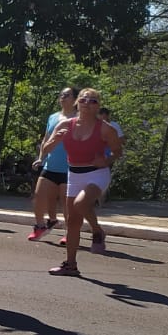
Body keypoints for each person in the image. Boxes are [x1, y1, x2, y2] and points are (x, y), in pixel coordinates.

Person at [42, 88, 123, 275]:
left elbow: (117, 151)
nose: (88, 103)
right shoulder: (65, 125)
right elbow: (46, 148)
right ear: (77, 103)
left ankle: (97, 231)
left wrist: (107, 160)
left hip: (97, 173)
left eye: (93, 101)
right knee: (72, 222)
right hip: (74, 174)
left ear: (98, 107)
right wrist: (56, 139)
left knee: (80, 203)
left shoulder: (105, 129)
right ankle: (70, 265)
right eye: (84, 99)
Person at [29, 87, 76, 241]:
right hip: (50, 166)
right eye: (61, 94)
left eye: (67, 95)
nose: (62, 97)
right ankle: (40, 226)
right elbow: (46, 139)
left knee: (66, 203)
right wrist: (41, 158)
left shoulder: (79, 119)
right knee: (38, 196)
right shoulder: (53, 117)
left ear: (75, 99)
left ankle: (70, 233)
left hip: (69, 169)